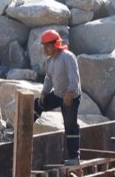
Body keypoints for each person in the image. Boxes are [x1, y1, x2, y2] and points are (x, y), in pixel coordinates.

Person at [35, 30, 82, 165]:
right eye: (44, 46)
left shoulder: (67, 57)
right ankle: (25, 130)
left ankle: (74, 158)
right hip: (58, 95)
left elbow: (75, 78)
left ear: (56, 44)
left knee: (70, 126)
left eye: (47, 46)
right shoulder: (50, 61)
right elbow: (49, 78)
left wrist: (70, 93)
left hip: (70, 97)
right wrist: (44, 92)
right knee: (37, 104)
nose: (45, 49)